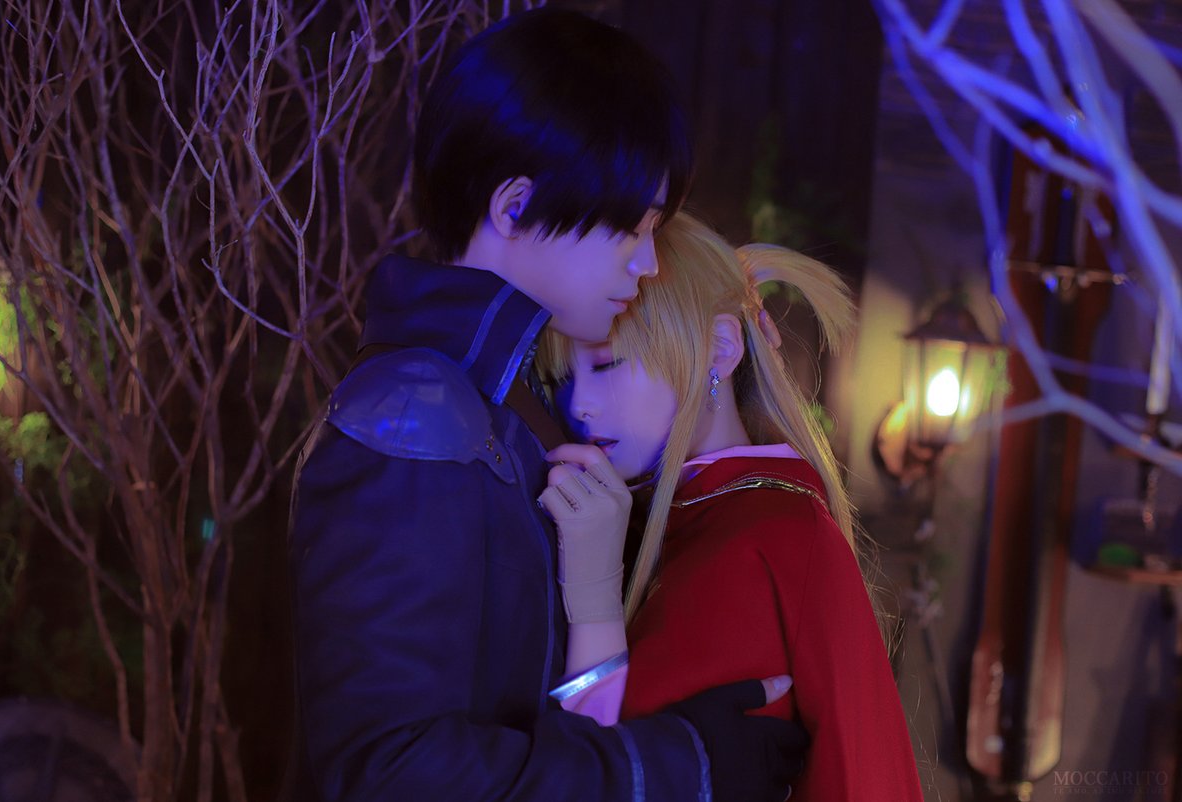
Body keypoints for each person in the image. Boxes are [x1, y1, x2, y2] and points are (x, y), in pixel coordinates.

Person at [287, 10, 807, 801]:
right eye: (628, 227)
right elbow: (390, 772)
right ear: (515, 206)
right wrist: (676, 768)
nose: (646, 262)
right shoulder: (416, 420)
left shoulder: (508, 404)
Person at [537, 211, 925, 801]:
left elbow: (605, 777)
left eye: (608, 364)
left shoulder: (756, 541)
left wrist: (593, 600)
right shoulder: (708, 518)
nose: (579, 405)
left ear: (720, 347)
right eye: (564, 379)